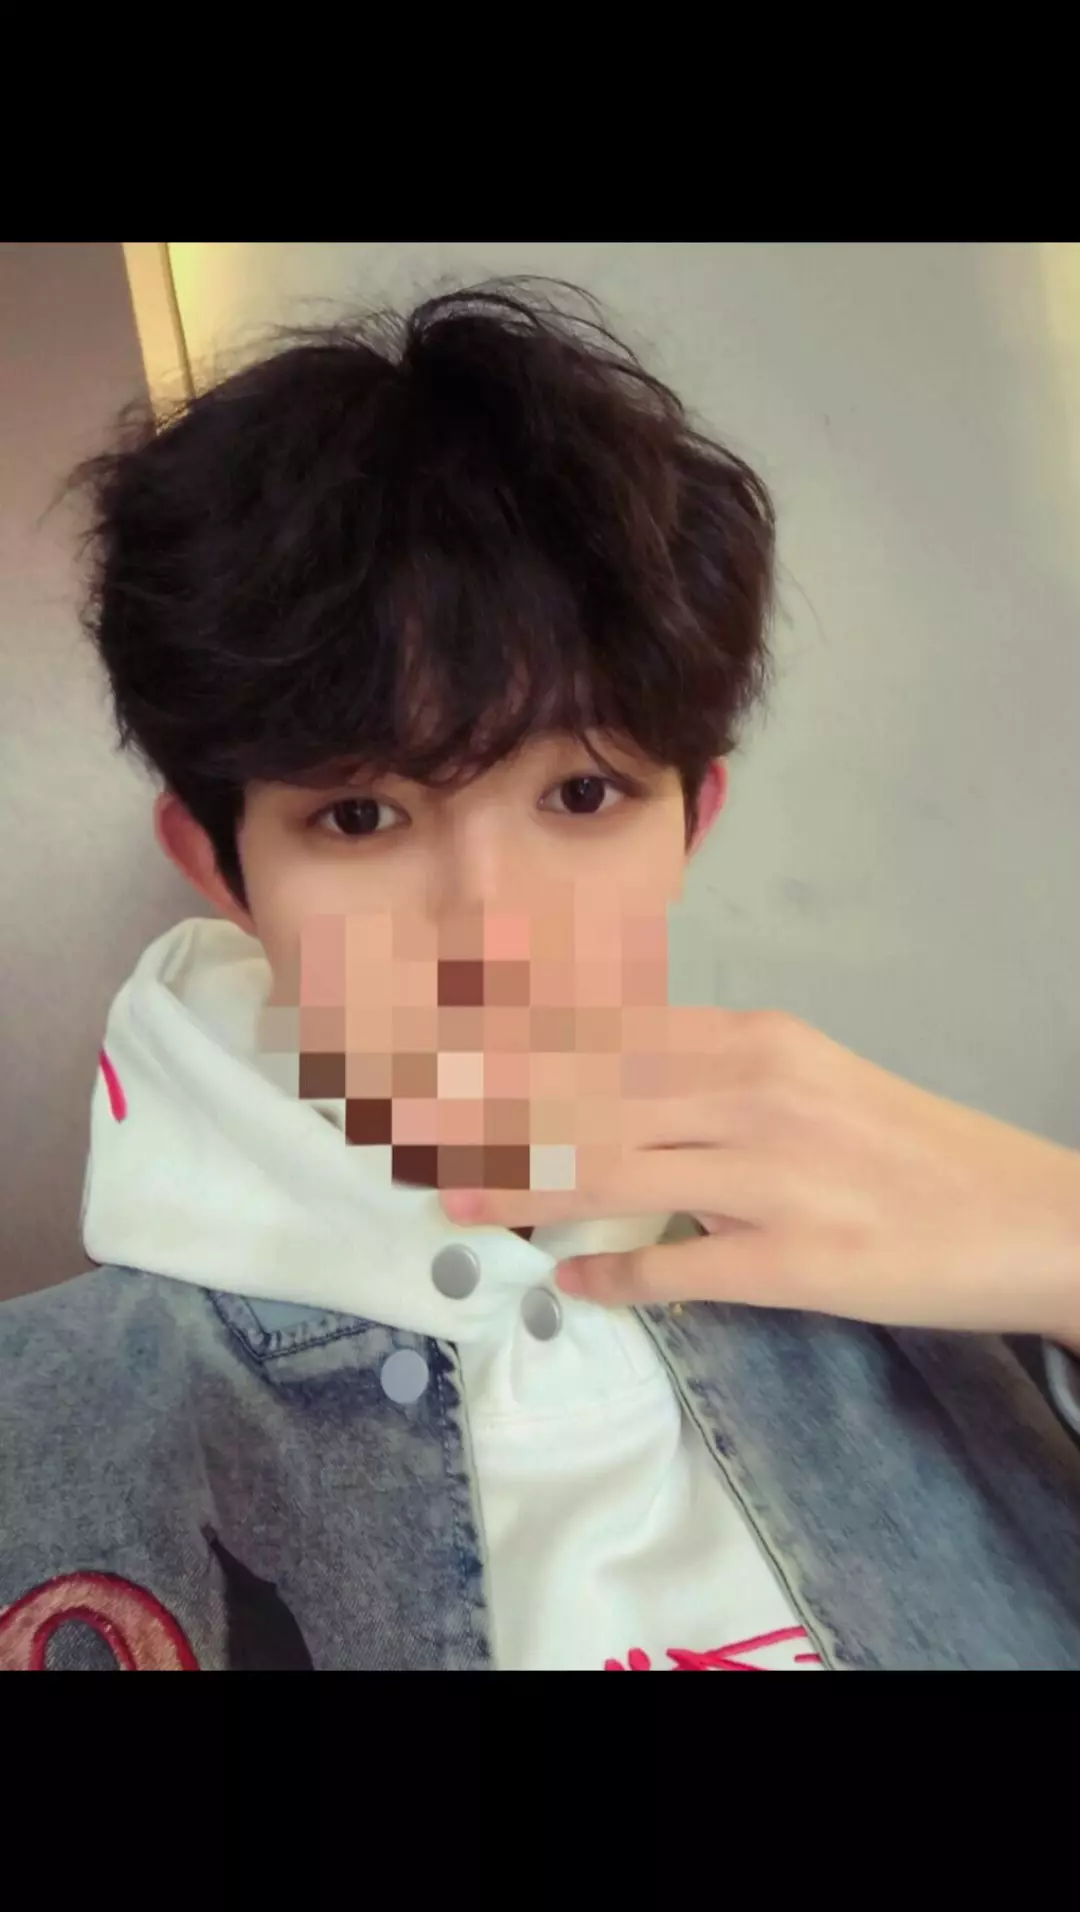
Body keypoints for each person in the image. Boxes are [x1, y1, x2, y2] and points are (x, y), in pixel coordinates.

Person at [2, 281, 1079, 1673]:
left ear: (688, 823)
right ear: (222, 868)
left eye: (581, 793)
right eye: (360, 815)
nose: (490, 931)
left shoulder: (944, 1285)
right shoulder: (47, 1435)